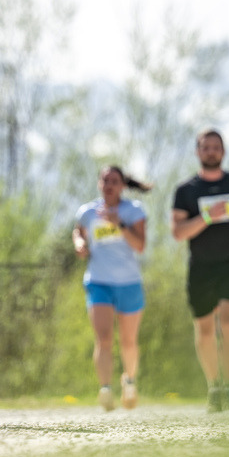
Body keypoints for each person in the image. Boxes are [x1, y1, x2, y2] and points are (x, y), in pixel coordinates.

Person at [172, 128, 229, 413]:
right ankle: (215, 388)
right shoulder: (185, 191)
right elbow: (177, 232)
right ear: (197, 152)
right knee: (203, 328)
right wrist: (205, 217)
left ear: (223, 152)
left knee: (227, 320)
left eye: (216, 147)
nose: (211, 151)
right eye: (205, 147)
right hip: (200, 267)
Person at [72, 166, 150, 411]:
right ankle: (105, 389)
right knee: (103, 338)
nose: (109, 185)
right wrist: (80, 243)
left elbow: (140, 246)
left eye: (114, 181)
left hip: (128, 281)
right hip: (98, 280)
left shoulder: (133, 211)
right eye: (105, 180)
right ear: (99, 184)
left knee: (128, 340)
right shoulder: (87, 212)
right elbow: (78, 232)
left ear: (123, 185)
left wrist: (120, 225)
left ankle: (129, 381)